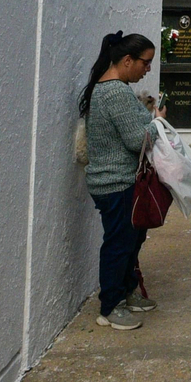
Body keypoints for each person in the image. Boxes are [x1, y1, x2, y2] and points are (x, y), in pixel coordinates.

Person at [80, 31, 162, 331]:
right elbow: (135, 139)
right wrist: (159, 123)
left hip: (119, 181)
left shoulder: (111, 88)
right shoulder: (114, 91)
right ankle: (110, 306)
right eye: (145, 63)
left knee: (131, 240)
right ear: (127, 60)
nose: (147, 69)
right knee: (119, 244)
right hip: (116, 183)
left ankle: (126, 293)